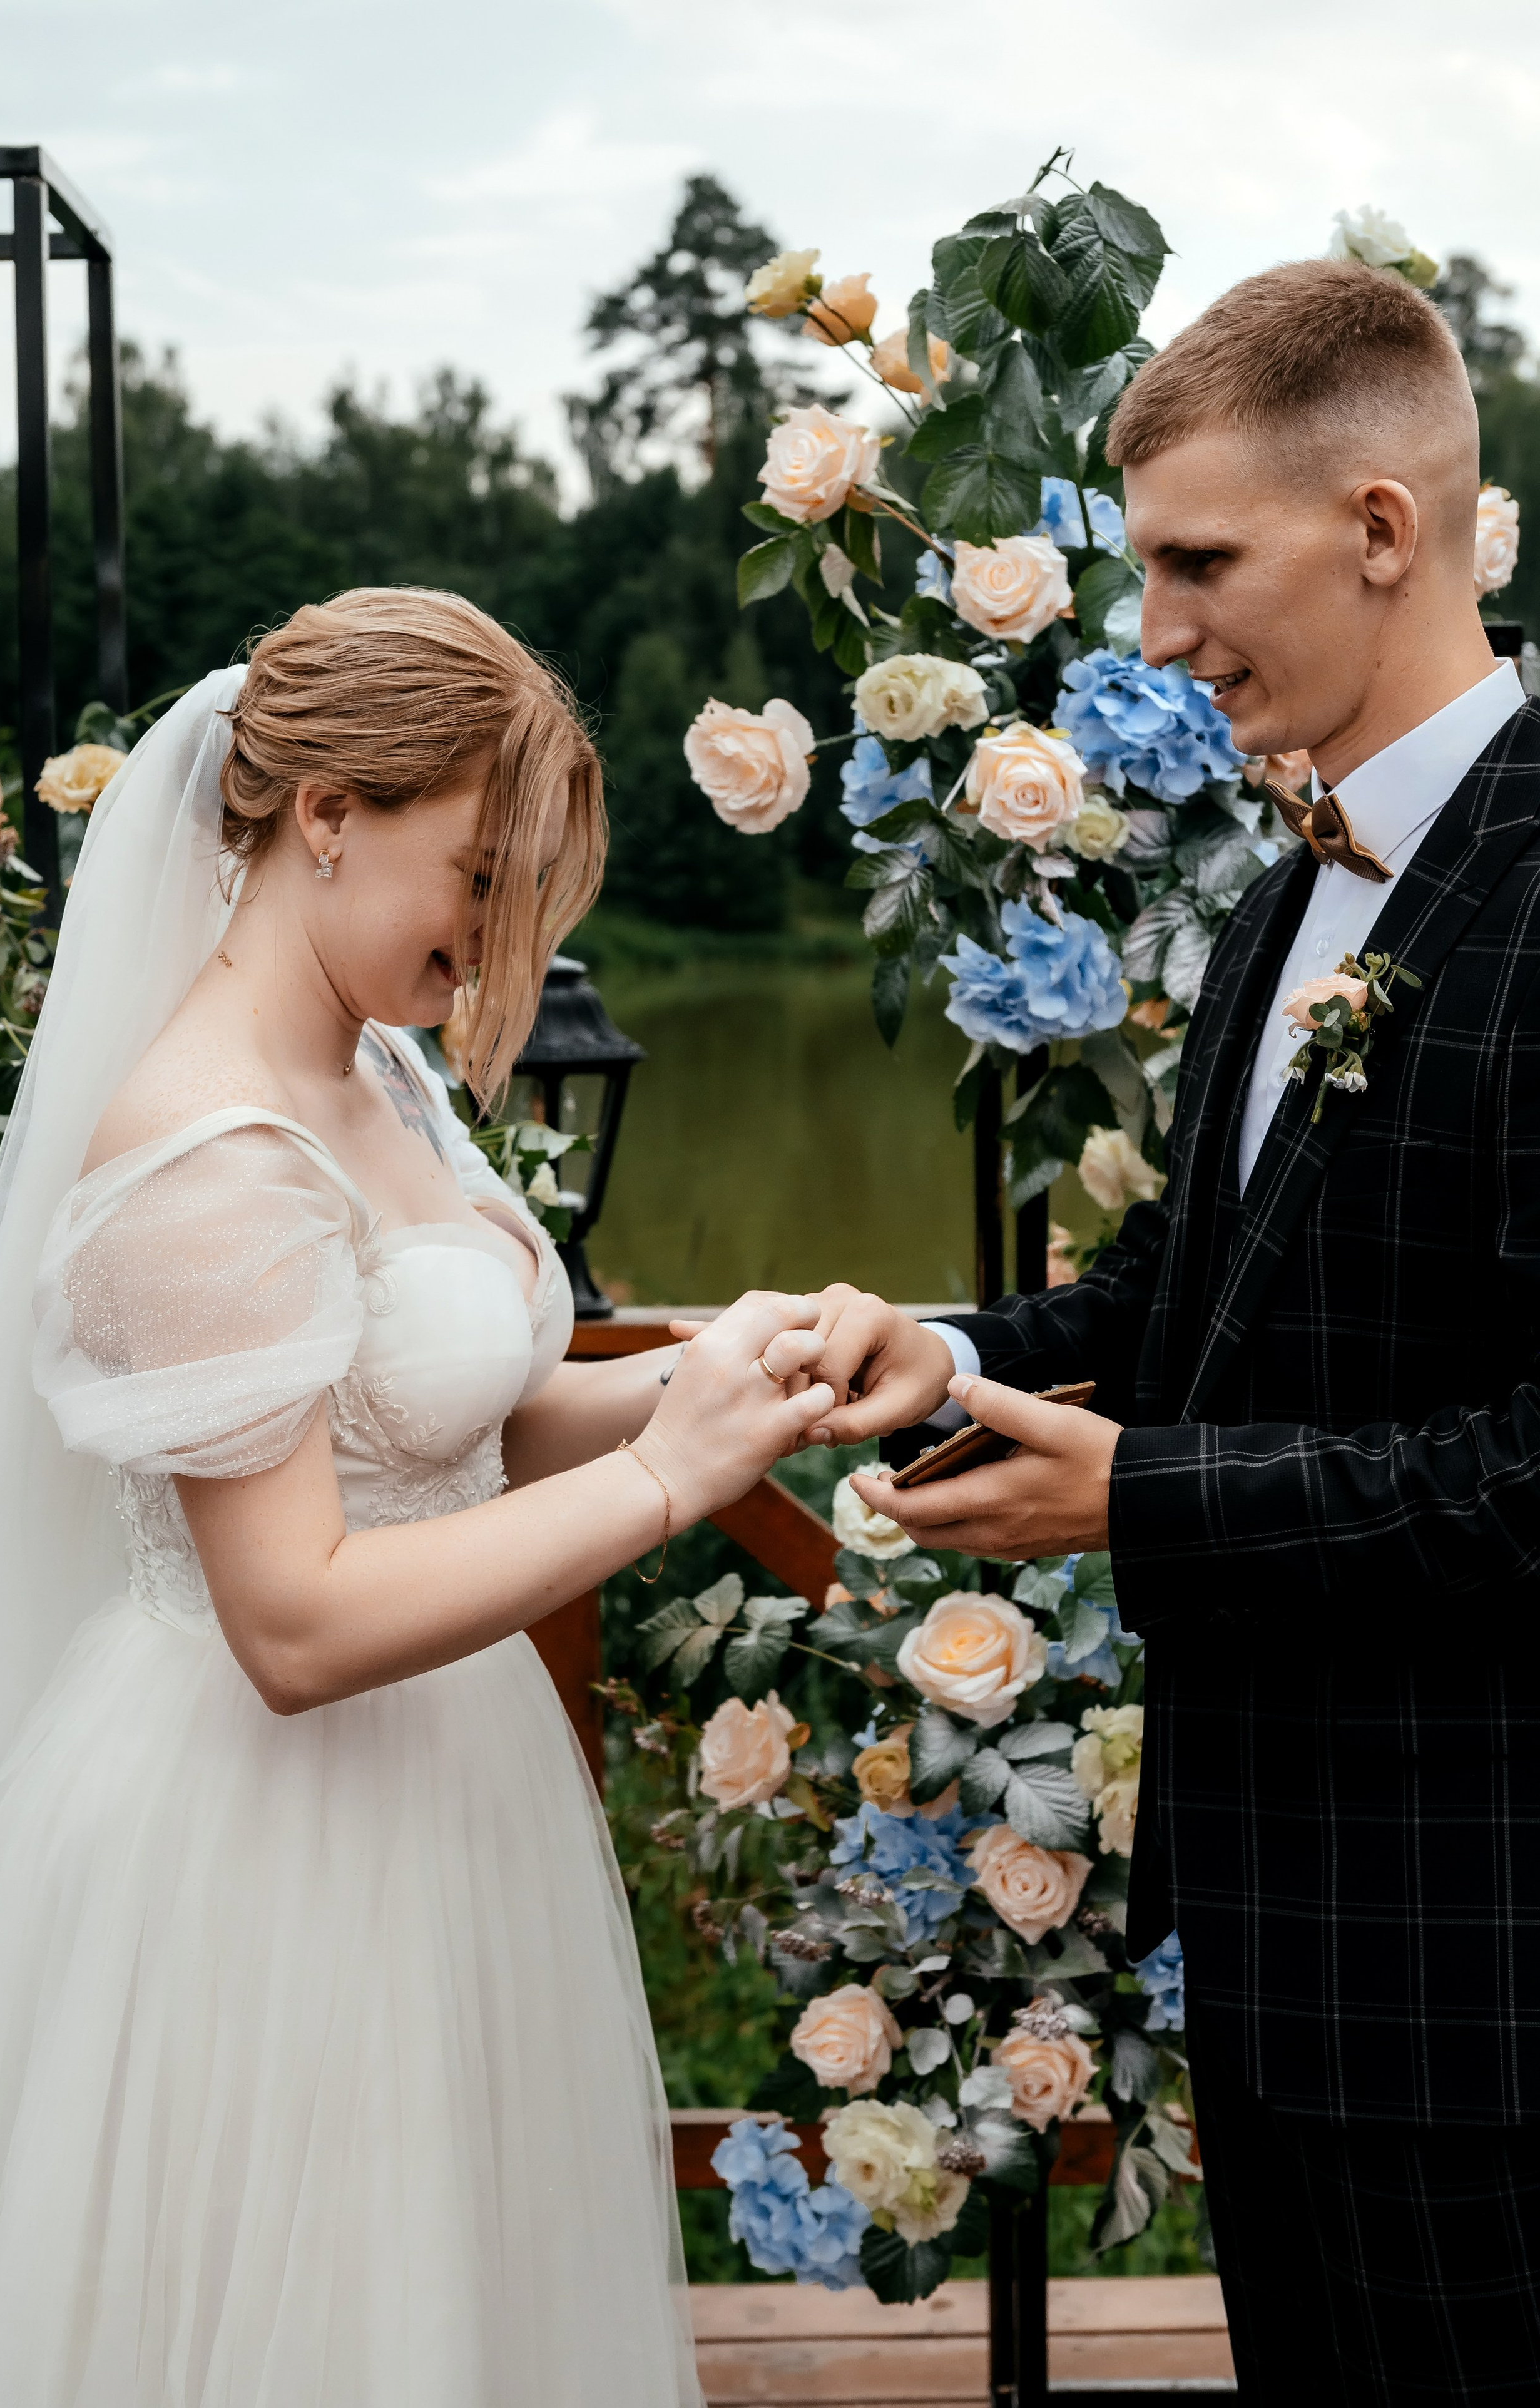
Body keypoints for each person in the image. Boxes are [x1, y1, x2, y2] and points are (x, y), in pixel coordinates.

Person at [0, 589, 834, 2406]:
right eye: (480, 876)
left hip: (457, 1797)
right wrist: (675, 1475)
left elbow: (461, 1425)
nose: (497, 937)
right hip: (264, 1853)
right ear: (328, 813)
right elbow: (294, 1618)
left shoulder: (379, 1067)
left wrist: (738, 1373)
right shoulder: (205, 1153)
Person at [800, 260, 1540, 2402]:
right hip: (1290, 1955)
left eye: (1201, 562)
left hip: (1489, 1985)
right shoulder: (1288, 880)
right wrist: (942, 1355)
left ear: (1385, 532)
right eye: (1140, 571)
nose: (1148, 631)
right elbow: (1181, 1306)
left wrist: (1143, 1495)